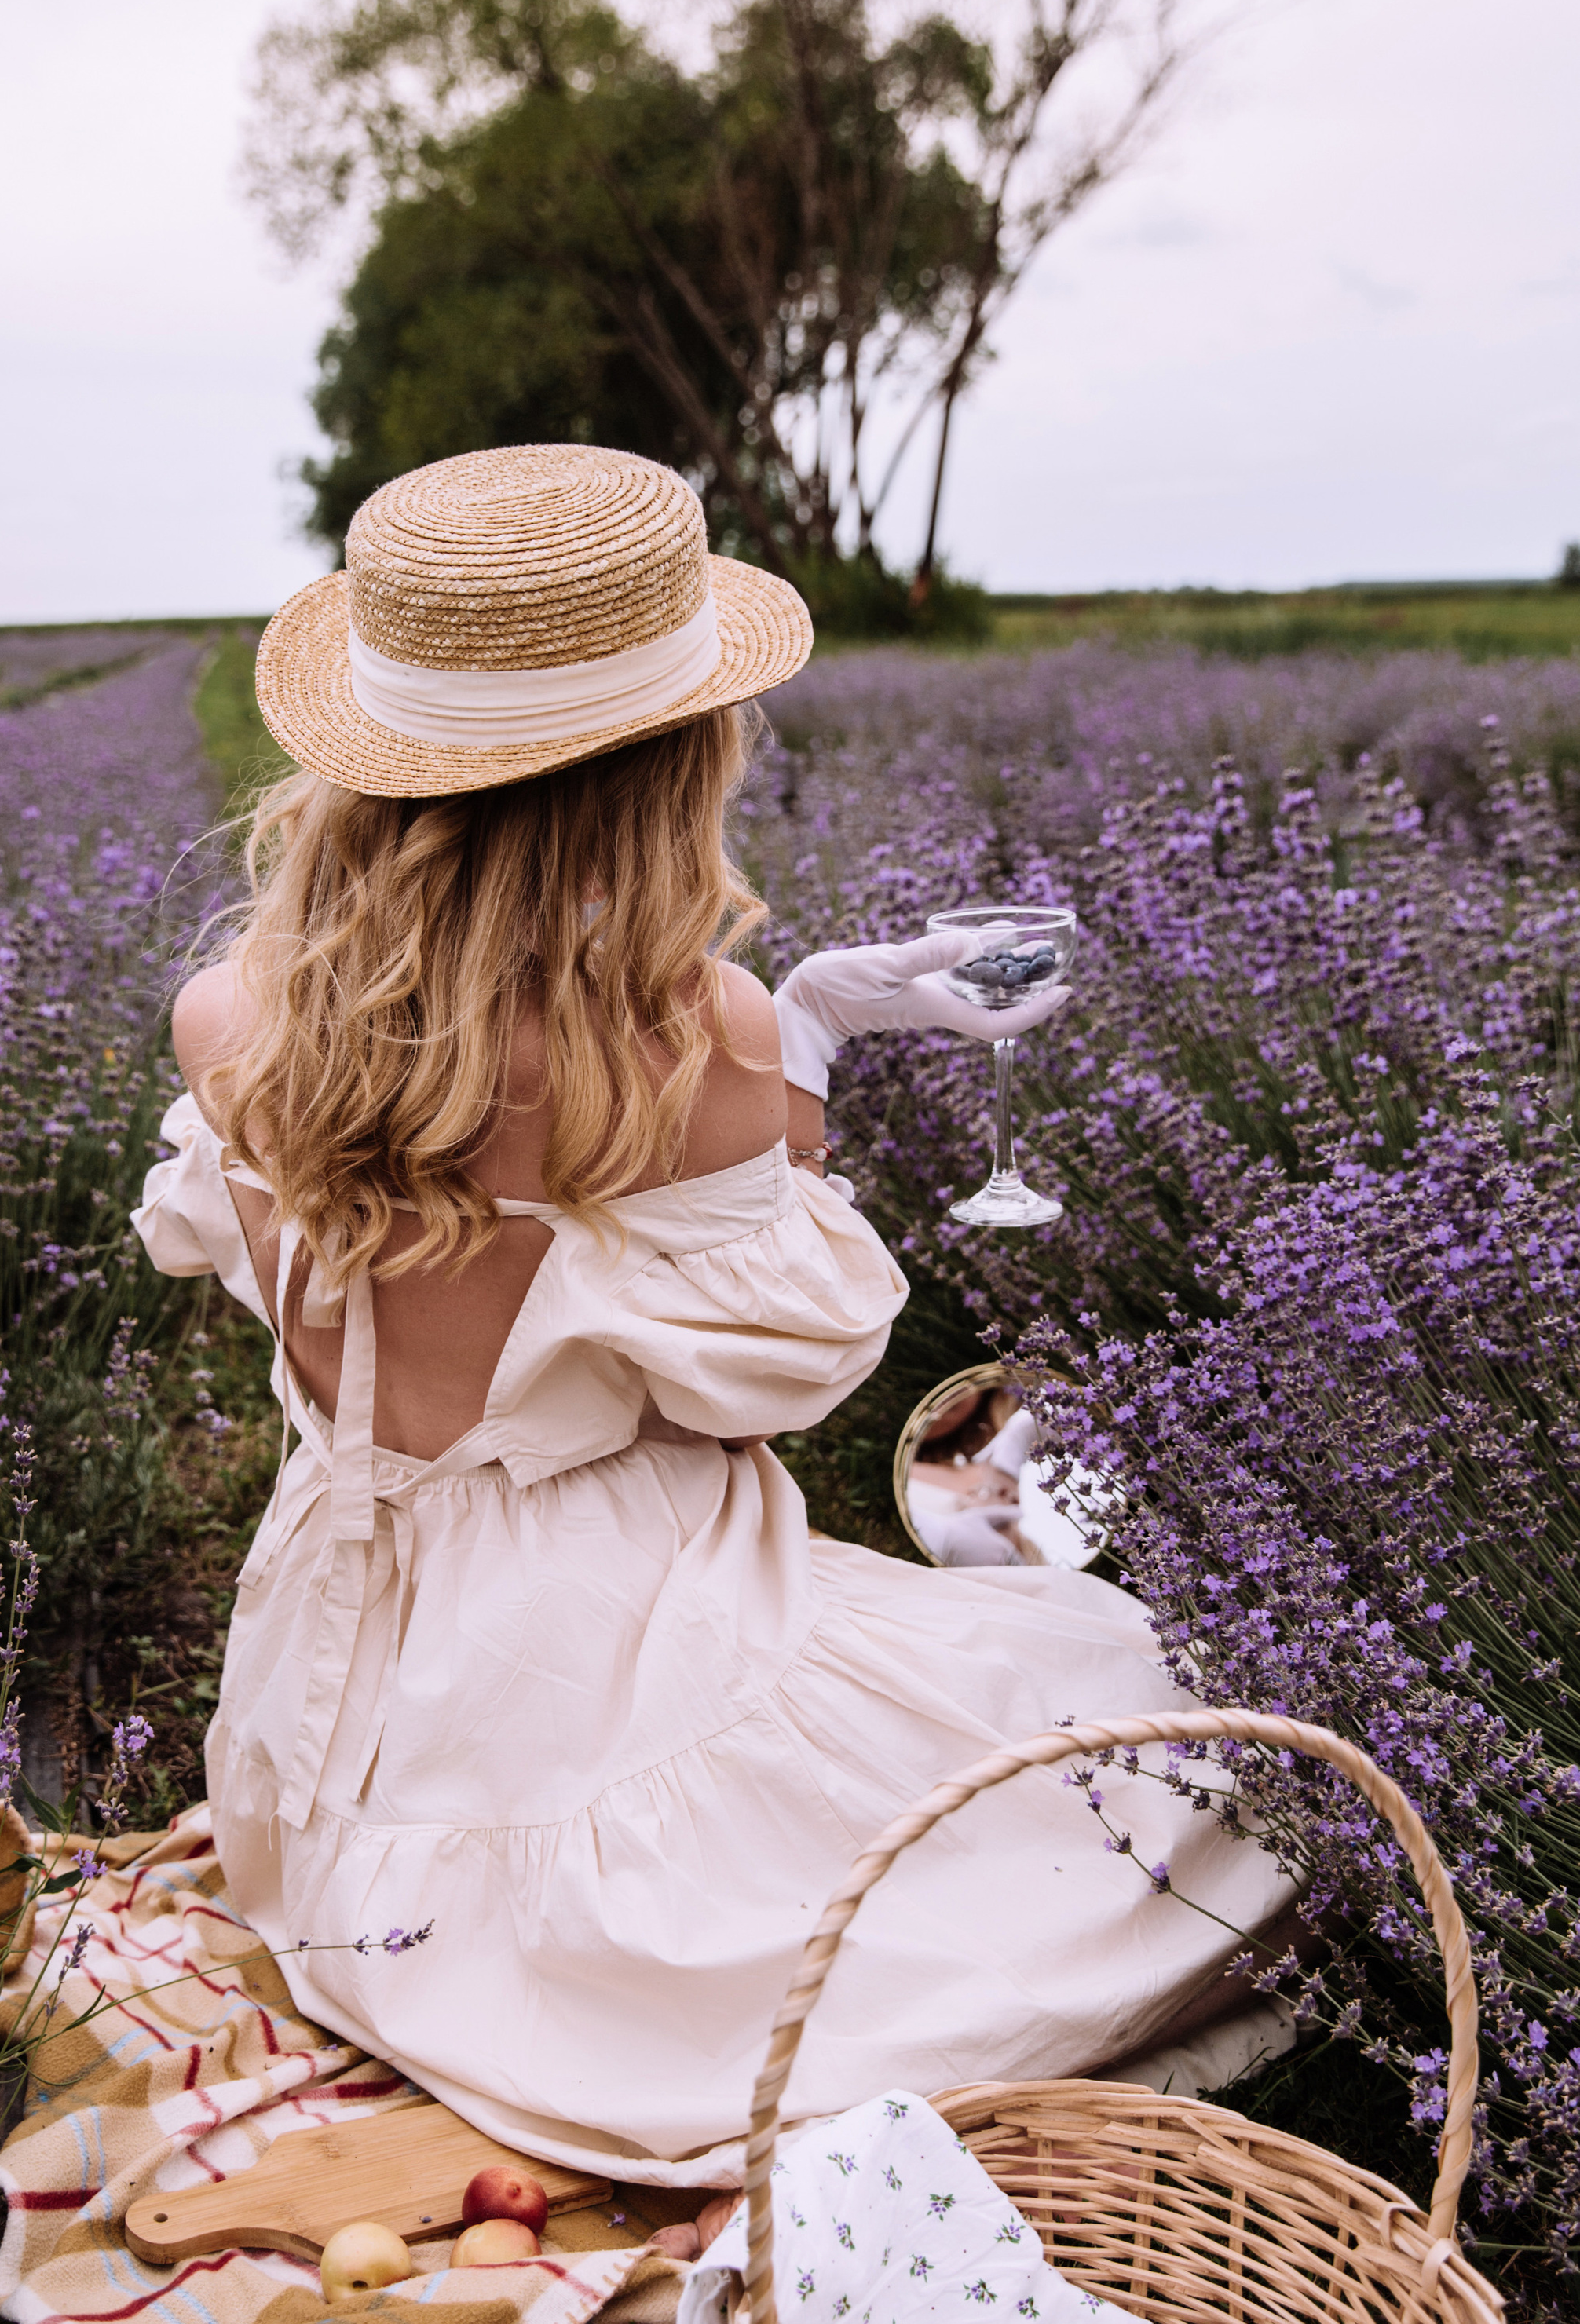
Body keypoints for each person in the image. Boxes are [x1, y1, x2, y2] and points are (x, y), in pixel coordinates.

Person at [134, 444, 1291, 2191]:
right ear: (671, 763)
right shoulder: (707, 1039)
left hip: (341, 1696)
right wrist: (812, 1031)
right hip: (621, 1642)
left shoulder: (230, 1020)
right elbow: (755, 1394)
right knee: (1152, 1746)